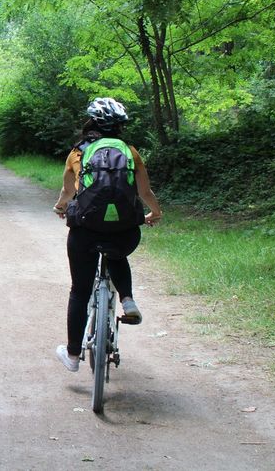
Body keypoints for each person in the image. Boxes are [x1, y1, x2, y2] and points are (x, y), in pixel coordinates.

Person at [51, 97, 163, 372]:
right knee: (116, 251)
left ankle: (74, 355)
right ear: (120, 128)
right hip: (124, 231)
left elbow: (68, 192)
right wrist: (155, 213)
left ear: (90, 123)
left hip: (85, 231)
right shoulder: (130, 152)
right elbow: (144, 192)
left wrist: (60, 207)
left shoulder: (78, 153)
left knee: (79, 291)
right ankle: (127, 299)